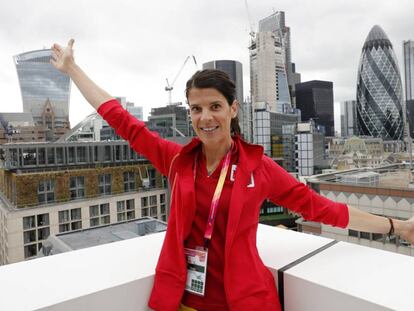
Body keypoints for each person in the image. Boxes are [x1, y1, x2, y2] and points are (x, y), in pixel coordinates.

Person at [51, 39, 414, 311]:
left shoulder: (259, 168)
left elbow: (321, 209)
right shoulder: (177, 161)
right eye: (196, 109)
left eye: (215, 107)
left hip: (247, 303)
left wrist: (397, 227)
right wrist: (72, 69)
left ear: (233, 109)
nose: (205, 117)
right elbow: (121, 120)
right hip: (184, 301)